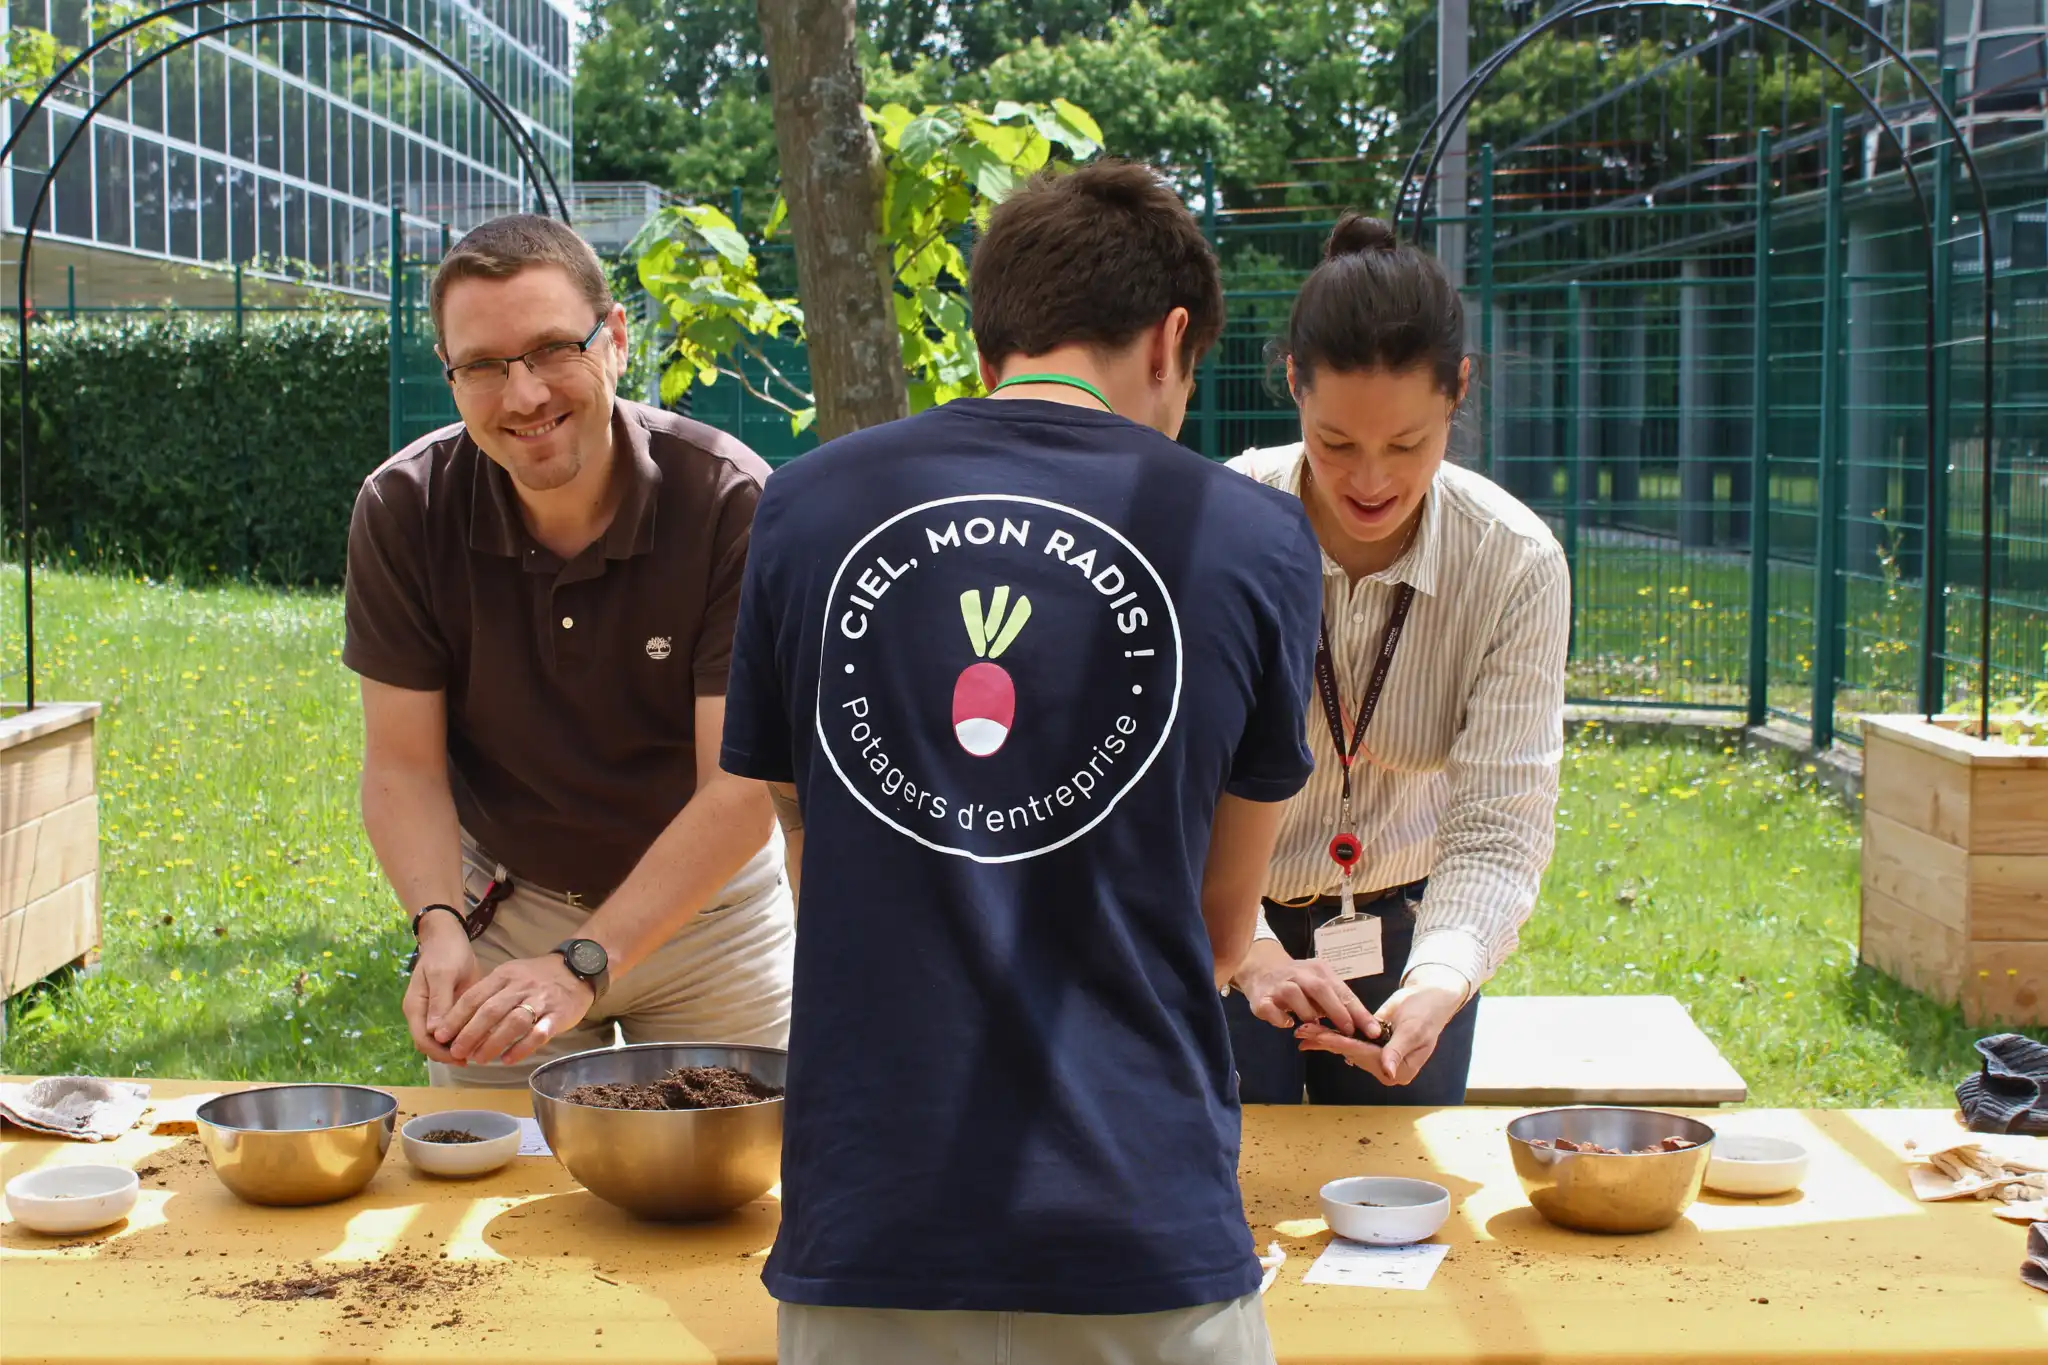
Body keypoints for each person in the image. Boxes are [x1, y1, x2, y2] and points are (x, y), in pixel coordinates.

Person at [720, 161, 1324, 1364]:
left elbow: (810, 859)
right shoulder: (1253, 539)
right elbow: (1218, 931)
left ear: (991, 337)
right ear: (1169, 340)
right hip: (1141, 1234)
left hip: (871, 1227)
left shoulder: (800, 509)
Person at [344, 214, 794, 1085]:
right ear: (451, 375)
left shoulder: (731, 502)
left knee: (750, 1191)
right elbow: (402, 765)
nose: (523, 396)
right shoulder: (403, 508)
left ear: (615, 339)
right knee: (486, 1198)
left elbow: (741, 789)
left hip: (711, 914)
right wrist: (437, 924)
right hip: (512, 905)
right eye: (483, 365)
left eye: (554, 348)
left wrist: (588, 962)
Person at [1222, 215, 1571, 1106]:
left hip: (1411, 929)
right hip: (1222, 923)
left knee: (1391, 1220)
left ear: (1459, 391)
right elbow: (1166, 792)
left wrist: (1443, 976)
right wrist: (1249, 948)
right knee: (1227, 1196)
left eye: (1408, 444)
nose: (1370, 480)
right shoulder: (1219, 528)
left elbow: (1500, 822)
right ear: (1294, 383)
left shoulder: (1514, 562)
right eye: (1336, 443)